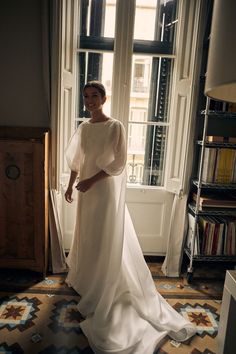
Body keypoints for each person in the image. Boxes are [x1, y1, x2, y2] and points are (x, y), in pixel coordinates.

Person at [64, 81, 196, 354]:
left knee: (104, 235)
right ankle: (88, 279)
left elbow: (119, 163)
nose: (90, 100)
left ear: (104, 98)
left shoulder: (115, 126)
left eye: (95, 96)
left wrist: (91, 181)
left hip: (104, 192)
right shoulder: (84, 128)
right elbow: (76, 160)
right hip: (86, 192)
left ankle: (106, 283)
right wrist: (71, 185)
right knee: (87, 235)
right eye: (86, 96)